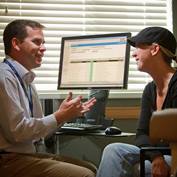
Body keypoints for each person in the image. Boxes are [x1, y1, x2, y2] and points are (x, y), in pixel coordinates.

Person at [0, 19, 97, 177]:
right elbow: (18, 132)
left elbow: (38, 131)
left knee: (90, 167)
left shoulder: (26, 79)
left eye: (43, 42)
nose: (43, 48)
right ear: (16, 44)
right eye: (37, 42)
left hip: (26, 156)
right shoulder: (4, 77)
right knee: (84, 174)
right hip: (8, 160)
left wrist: (64, 115)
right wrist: (59, 116)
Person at [96, 26, 177, 177]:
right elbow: (141, 134)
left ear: (154, 49)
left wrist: (158, 157)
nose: (134, 54)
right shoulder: (149, 90)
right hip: (159, 154)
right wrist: (156, 157)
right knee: (113, 150)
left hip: (175, 155)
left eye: (138, 47)